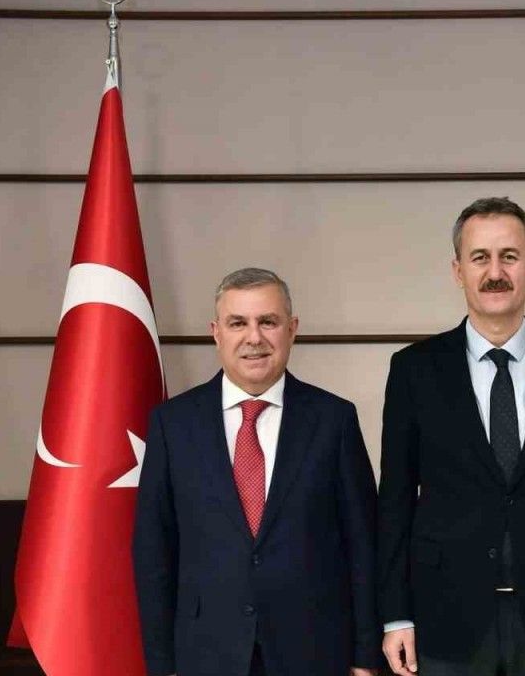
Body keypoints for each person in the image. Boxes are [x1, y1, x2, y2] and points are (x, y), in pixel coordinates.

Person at [377, 197, 525, 676]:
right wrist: (395, 615)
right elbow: (395, 502)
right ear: (458, 271)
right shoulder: (413, 371)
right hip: (446, 615)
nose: (495, 272)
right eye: (479, 257)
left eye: (509, 256)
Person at [133, 268, 380, 676]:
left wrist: (364, 657)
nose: (254, 337)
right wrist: (162, 666)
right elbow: (153, 551)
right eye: (238, 323)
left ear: (292, 329)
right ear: (216, 332)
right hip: (206, 654)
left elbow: (362, 545)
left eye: (268, 321)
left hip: (314, 651)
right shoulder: (172, 424)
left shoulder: (334, 420)